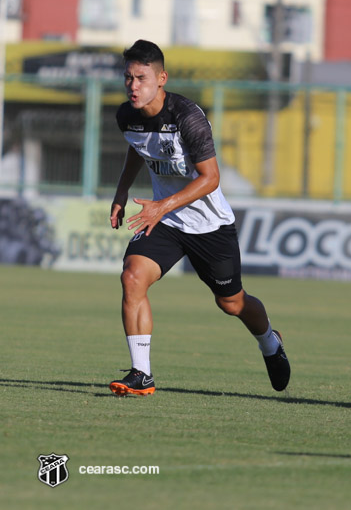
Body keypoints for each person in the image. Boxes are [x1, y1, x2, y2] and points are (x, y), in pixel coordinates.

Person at [108, 39, 289, 396]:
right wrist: (121, 191)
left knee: (231, 302)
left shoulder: (187, 117)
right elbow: (137, 147)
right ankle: (141, 374)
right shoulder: (125, 116)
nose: (133, 86)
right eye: (128, 78)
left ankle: (270, 341)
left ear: (162, 79)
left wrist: (162, 205)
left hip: (209, 225)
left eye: (141, 78)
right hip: (168, 222)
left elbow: (211, 179)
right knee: (132, 278)